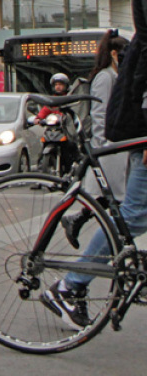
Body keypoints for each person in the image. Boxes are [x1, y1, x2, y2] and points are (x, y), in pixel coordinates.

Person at [43, 0, 147, 331]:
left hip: (124, 138)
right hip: (128, 136)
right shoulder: (105, 76)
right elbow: (101, 116)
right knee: (132, 213)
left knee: (131, 212)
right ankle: (71, 285)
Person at [60, 30, 129, 247]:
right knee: (114, 196)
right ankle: (111, 239)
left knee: (111, 196)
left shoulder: (114, 76)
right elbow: (99, 113)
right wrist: (101, 146)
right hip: (109, 147)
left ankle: (79, 222)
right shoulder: (105, 77)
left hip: (116, 146)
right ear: (115, 54)